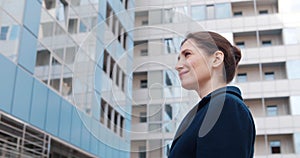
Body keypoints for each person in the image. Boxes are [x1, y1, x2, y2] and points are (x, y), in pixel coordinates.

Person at [168, 31, 256, 158]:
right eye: (178, 59)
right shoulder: (206, 111)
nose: (178, 66)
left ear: (216, 59)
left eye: (187, 54)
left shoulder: (225, 106)